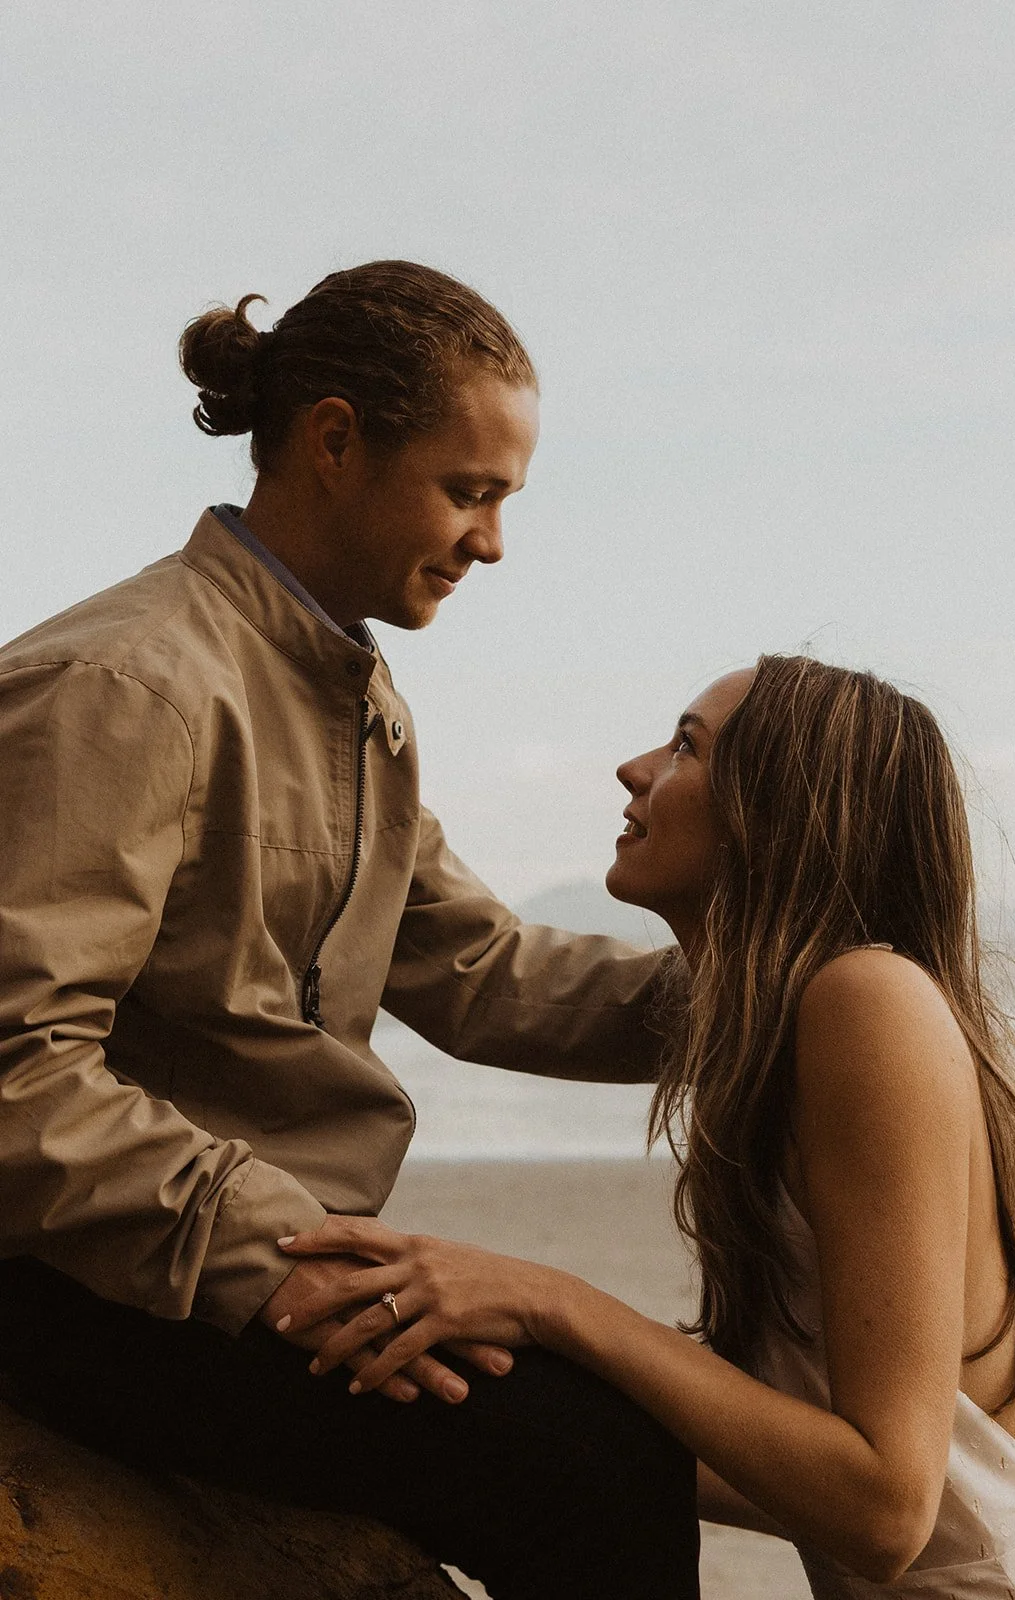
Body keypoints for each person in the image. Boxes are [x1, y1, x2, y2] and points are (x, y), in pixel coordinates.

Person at [0, 261, 700, 1600]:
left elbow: (481, 970)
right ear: (333, 441)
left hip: (240, 1265)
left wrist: (768, 1006)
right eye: (470, 489)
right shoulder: (125, 683)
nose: (492, 541)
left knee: (622, 1418)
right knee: (590, 1465)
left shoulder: (346, 692)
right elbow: (17, 1072)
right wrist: (301, 1259)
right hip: (96, 1290)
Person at [281, 655, 1015, 1598]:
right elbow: (792, 1471)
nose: (636, 767)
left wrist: (553, 1304)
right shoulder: (783, 1036)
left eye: (687, 747)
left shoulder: (866, 999)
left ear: (778, 811)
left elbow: (886, 1511)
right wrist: (484, 1395)